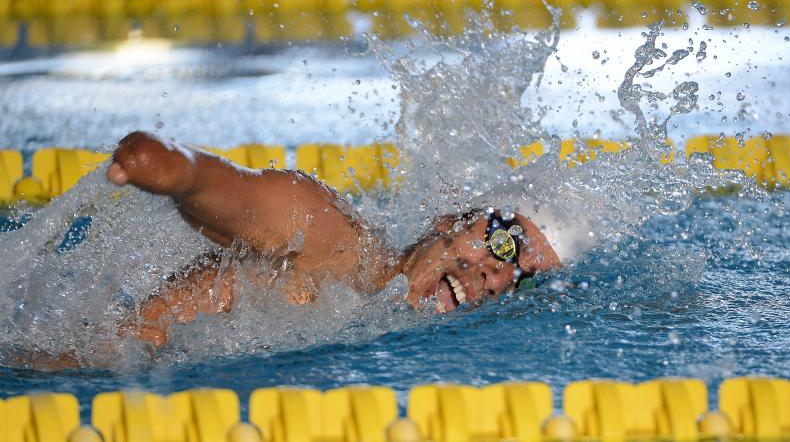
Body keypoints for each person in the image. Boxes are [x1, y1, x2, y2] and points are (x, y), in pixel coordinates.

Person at [108, 132, 574, 348]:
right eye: (506, 240)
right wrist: (181, 173)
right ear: (448, 221)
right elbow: (249, 199)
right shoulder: (336, 248)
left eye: (525, 280)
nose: (500, 274)